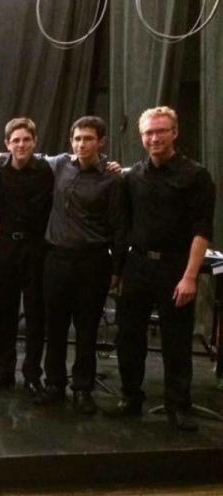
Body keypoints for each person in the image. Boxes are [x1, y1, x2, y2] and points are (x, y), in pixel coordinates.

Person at [106, 106, 215, 431]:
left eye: (160, 131)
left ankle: (178, 406)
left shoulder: (195, 176)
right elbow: (122, 226)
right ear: (141, 137)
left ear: (175, 132)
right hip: (137, 265)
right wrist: (118, 271)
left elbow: (202, 230)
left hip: (175, 267)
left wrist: (190, 276)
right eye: (148, 133)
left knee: (177, 341)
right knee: (129, 337)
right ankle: (130, 397)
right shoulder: (132, 176)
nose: (154, 138)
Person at [38, 116, 123, 414]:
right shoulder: (61, 164)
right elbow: (30, 156)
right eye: (76, 139)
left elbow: (118, 227)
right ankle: (54, 385)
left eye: (87, 139)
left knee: (86, 330)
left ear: (101, 142)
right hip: (57, 258)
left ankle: (82, 389)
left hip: (93, 263)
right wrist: (2, 157)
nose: (81, 144)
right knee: (56, 327)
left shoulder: (112, 178)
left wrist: (116, 270)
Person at [0, 118, 53, 399]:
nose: (21, 145)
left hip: (37, 249)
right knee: (6, 312)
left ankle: (33, 375)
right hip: (7, 248)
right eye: (15, 141)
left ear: (34, 142)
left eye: (26, 140)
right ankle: (4, 371)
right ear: (6, 144)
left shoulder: (47, 171)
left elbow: (75, 156)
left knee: (36, 315)